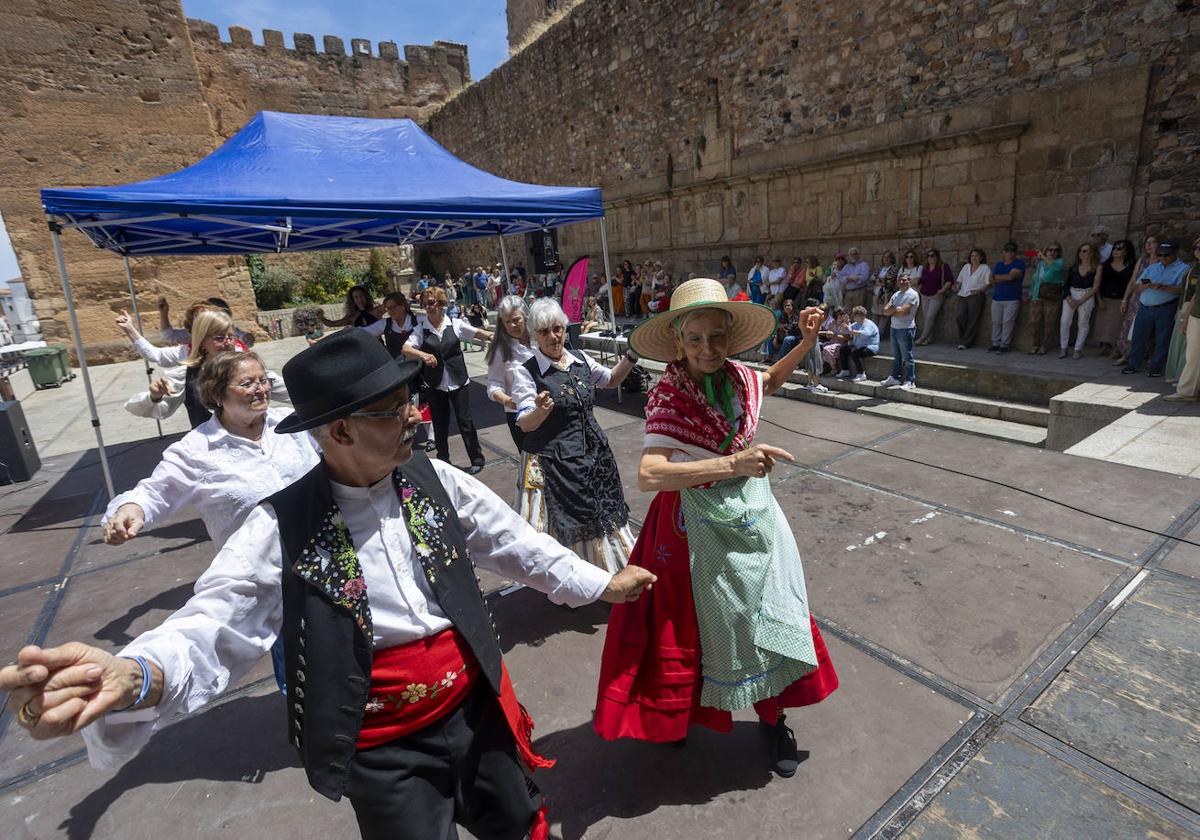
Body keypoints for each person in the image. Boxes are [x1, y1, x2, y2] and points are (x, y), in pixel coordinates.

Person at [2, 329, 656, 840]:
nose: (416, 417)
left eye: (412, 401)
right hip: (382, 748)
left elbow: (513, 542)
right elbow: (212, 623)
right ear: (340, 430)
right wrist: (135, 676)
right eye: (396, 409)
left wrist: (601, 583)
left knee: (514, 820)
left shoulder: (435, 480)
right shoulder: (282, 527)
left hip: (475, 709)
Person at [593, 277, 838, 777]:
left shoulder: (739, 376)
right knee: (695, 625)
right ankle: (678, 714)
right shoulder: (667, 394)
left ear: (730, 337)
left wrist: (806, 344)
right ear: (679, 343)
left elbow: (766, 382)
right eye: (696, 338)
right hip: (687, 527)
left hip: (752, 511)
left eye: (717, 337)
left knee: (766, 612)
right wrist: (734, 465)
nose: (708, 349)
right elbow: (649, 475)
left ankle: (774, 718)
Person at [511, 299, 638, 572]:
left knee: (603, 511)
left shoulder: (580, 359)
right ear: (535, 335)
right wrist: (541, 412)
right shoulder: (527, 372)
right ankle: (576, 578)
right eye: (544, 331)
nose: (553, 337)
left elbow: (611, 379)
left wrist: (632, 356)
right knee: (569, 521)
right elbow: (524, 423)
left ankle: (609, 569)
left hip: (594, 455)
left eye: (557, 328)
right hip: (554, 461)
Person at [123, 309, 286, 428]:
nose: (228, 342)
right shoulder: (187, 374)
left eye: (231, 336)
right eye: (219, 338)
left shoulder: (246, 367)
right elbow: (159, 410)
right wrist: (155, 396)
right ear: (201, 341)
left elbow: (286, 388)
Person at [403, 288, 494, 474]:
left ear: (442, 303)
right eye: (426, 303)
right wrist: (423, 354)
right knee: (440, 423)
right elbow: (406, 348)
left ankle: (476, 458)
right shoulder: (421, 329)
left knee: (465, 421)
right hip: (435, 384)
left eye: (432, 302)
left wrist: (496, 336)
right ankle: (444, 460)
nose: (429, 307)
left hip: (458, 380)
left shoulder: (455, 323)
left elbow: (478, 333)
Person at [1123, 240, 1190, 377]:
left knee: (1162, 338)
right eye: (1160, 255)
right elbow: (1135, 286)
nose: (1163, 258)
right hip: (1145, 307)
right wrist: (1144, 286)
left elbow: (1182, 290)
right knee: (1138, 337)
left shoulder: (1184, 269)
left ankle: (1156, 367)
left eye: (1167, 255)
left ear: (1175, 254)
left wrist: (1163, 287)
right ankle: (1134, 364)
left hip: (1165, 308)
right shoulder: (1152, 268)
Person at [485, 296, 536, 450]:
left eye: (516, 320)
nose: (512, 325)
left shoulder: (540, 340)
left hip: (548, 410)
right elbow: (493, 385)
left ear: (526, 317)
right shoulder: (500, 350)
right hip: (520, 414)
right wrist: (508, 400)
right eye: (507, 322)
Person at [1165, 238, 1200, 401]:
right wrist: (1186, 317)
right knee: (1193, 354)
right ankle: (1187, 391)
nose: (1198, 249)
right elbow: (1195, 296)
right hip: (1196, 315)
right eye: (1197, 247)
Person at [1116, 235, 1159, 366]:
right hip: (1136, 298)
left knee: (1150, 329)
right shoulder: (1142, 260)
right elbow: (1133, 280)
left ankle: (1146, 355)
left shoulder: (1163, 261)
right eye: (1147, 242)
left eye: (1152, 242)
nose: (1149, 245)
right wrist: (1125, 299)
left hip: (1153, 298)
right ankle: (1126, 354)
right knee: (1129, 326)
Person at [1093, 239, 1135, 357]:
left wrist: (1127, 300)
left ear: (1126, 252)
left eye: (1119, 248)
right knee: (1104, 324)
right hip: (1106, 298)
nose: (1115, 251)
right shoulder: (1104, 266)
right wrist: (1099, 299)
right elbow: (1098, 284)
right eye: (1115, 248)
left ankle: (1116, 347)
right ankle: (1104, 346)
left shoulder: (1131, 267)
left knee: (1118, 324)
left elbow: (1131, 284)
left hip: (1121, 300)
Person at [1059, 243, 1102, 359]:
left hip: (1087, 294)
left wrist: (1080, 301)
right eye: (1080, 251)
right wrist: (1069, 298)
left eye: (1085, 251)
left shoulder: (1097, 267)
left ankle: (1078, 349)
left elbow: (1095, 287)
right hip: (1071, 294)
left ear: (1091, 253)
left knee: (1083, 322)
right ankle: (1063, 348)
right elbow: (1066, 284)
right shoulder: (1073, 267)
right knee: (1065, 321)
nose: (1081, 253)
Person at [882, 272, 920, 390]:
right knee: (896, 356)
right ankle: (895, 377)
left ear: (909, 281)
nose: (902, 282)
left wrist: (893, 310)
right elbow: (885, 311)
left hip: (906, 329)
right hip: (894, 328)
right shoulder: (896, 294)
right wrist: (895, 309)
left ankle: (910, 380)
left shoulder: (913, 295)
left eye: (904, 280)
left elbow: (903, 312)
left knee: (907, 356)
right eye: (900, 280)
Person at [1026, 243, 1065, 355]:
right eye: (1050, 249)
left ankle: (1045, 346)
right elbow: (1035, 279)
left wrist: (1043, 256)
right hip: (1037, 296)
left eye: (1055, 250)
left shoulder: (1059, 262)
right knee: (1033, 322)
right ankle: (1035, 344)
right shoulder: (1041, 264)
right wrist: (1031, 293)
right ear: (1046, 250)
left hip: (1051, 297)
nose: (1052, 252)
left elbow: (1054, 269)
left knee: (1049, 323)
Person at [988, 242, 1026, 353]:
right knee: (996, 322)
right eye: (1007, 250)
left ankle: (1004, 345)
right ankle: (995, 343)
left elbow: (1011, 277)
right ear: (1004, 252)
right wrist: (1003, 277)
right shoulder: (999, 264)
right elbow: (991, 279)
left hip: (1012, 298)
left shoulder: (1019, 264)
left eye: (1012, 250)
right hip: (997, 297)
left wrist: (998, 277)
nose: (1010, 253)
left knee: (1008, 322)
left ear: (1015, 252)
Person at [952, 247, 991, 349]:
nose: (974, 258)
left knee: (972, 319)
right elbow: (959, 280)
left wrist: (979, 290)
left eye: (977, 256)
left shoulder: (985, 268)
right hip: (963, 294)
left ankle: (966, 342)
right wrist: (957, 286)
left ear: (981, 258)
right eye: (972, 256)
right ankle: (964, 337)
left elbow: (988, 283)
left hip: (975, 295)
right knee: (959, 316)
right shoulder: (966, 267)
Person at [360, 293, 419, 358]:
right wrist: (350, 329)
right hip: (395, 365)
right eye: (388, 308)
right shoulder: (385, 323)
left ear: (403, 306)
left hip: (418, 363)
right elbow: (364, 332)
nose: (390, 311)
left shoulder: (418, 321)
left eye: (393, 307)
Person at [915, 248, 953, 346]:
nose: (930, 258)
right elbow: (921, 281)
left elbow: (949, 280)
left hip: (936, 295)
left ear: (937, 256)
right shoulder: (925, 268)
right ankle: (929, 338)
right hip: (924, 295)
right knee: (926, 317)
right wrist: (920, 288)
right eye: (928, 256)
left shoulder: (943, 267)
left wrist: (942, 290)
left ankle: (922, 337)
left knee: (930, 317)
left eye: (932, 255)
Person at [837, 306, 880, 381]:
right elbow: (846, 330)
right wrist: (844, 325)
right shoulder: (856, 324)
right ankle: (845, 370)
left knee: (855, 353)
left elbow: (865, 334)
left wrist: (852, 332)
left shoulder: (869, 324)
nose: (854, 318)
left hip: (870, 348)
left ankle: (861, 374)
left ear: (861, 316)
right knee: (843, 349)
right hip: (858, 346)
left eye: (855, 316)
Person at [871, 251, 898, 342]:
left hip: (886, 295)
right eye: (885, 257)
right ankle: (872, 333)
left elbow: (889, 281)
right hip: (876, 293)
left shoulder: (893, 268)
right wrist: (881, 281)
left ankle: (878, 334)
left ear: (891, 258)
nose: (886, 259)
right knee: (875, 314)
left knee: (884, 315)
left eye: (888, 257)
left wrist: (879, 280)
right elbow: (872, 278)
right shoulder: (880, 268)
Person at [820, 307, 853, 373]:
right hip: (831, 342)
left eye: (842, 315)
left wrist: (835, 335)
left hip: (841, 344)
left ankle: (834, 369)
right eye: (840, 316)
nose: (842, 318)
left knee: (827, 349)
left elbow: (847, 338)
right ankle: (822, 368)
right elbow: (828, 335)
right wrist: (828, 335)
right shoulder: (832, 323)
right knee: (819, 346)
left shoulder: (846, 325)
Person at [841, 247, 871, 312]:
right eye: (851, 254)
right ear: (849, 256)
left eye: (854, 254)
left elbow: (864, 277)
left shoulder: (863, 265)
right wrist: (852, 278)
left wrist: (850, 278)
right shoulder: (846, 267)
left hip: (859, 292)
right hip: (848, 293)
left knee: (859, 313)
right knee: (849, 314)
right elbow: (841, 279)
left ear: (858, 255)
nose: (853, 256)